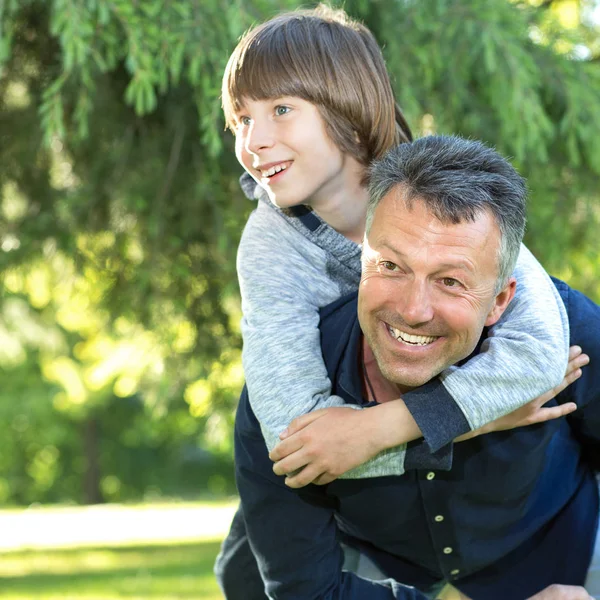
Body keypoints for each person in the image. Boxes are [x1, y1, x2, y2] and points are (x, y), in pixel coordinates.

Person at [215, 5, 574, 597]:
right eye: (241, 118)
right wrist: (466, 427)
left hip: (432, 501)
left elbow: (539, 351)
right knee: (260, 579)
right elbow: (296, 441)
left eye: (281, 109)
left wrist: (383, 427)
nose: (254, 141)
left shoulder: (440, 191)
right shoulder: (271, 247)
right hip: (321, 523)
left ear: (345, 104)